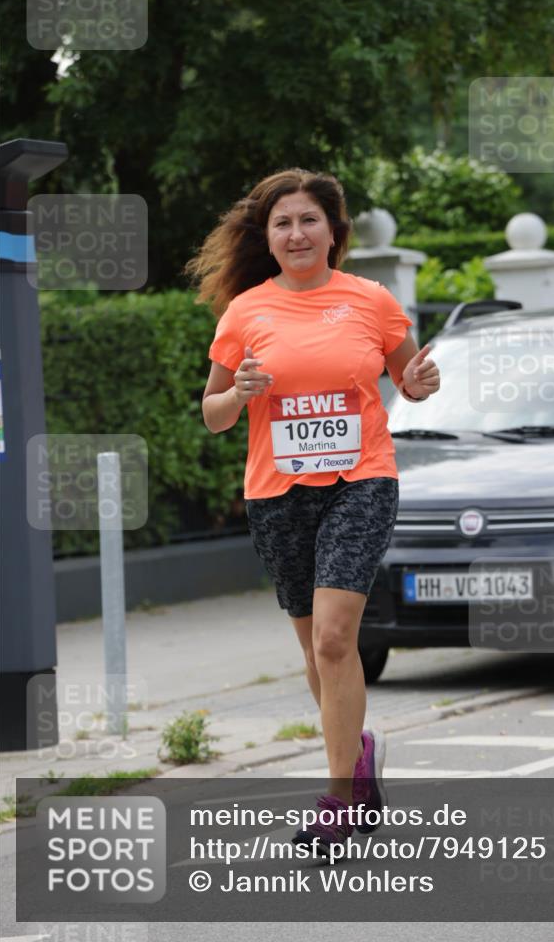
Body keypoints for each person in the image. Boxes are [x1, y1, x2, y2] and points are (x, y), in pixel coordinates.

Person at [185, 168, 440, 857]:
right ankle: (355, 753)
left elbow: (409, 380)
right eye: (281, 223)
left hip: (360, 481)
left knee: (333, 639)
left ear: (333, 230)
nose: (295, 233)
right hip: (276, 493)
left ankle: (338, 801)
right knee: (312, 650)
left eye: (307, 220)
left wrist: (419, 382)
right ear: (265, 238)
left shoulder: (371, 301)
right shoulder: (244, 312)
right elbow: (211, 416)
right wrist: (236, 391)